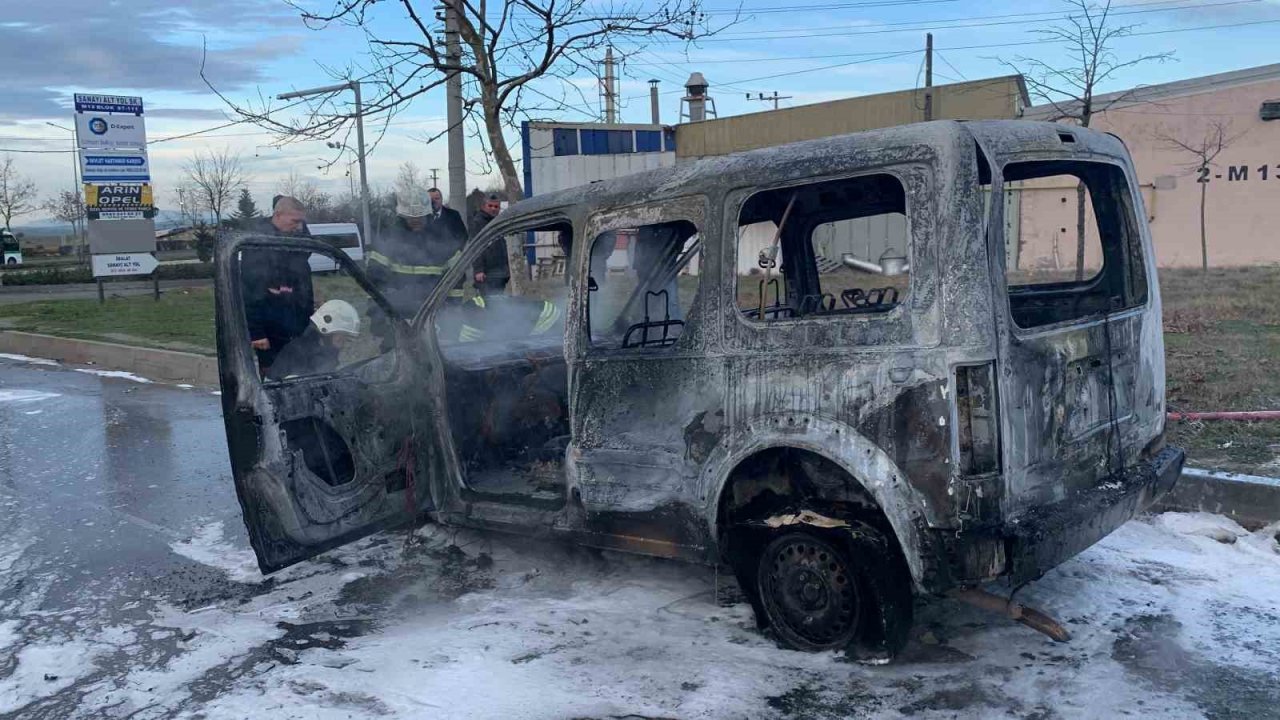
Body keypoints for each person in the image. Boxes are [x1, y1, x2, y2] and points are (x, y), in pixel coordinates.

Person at [368, 189, 469, 318]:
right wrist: (379, 314)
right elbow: (375, 278)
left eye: (420, 216)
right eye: (411, 217)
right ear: (402, 216)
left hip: (433, 313)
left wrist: (453, 310)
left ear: (428, 214)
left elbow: (456, 278)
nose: (415, 220)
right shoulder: (389, 239)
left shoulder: (442, 240)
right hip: (396, 313)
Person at [242, 196, 315, 370]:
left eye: (302, 222)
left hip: (299, 325)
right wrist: (256, 332)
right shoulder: (258, 244)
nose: (299, 226)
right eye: (295, 221)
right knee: (274, 379)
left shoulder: (297, 242)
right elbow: (250, 290)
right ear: (278, 215)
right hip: (271, 329)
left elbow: (300, 278)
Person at [266, 300, 361, 380]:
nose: (343, 342)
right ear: (325, 332)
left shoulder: (329, 351)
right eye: (340, 335)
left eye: (346, 336)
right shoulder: (296, 351)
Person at [470, 194, 507, 294]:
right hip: (486, 274)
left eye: (496, 206)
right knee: (488, 300)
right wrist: (478, 270)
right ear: (483, 206)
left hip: (499, 272)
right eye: (490, 206)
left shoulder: (497, 222)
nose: (493, 209)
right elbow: (474, 247)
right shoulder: (478, 223)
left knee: (498, 299)